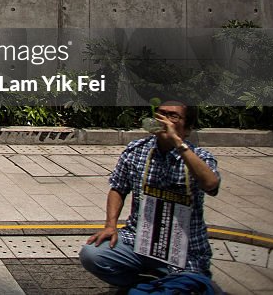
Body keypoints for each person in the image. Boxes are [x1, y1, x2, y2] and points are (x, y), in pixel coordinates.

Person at [79, 101, 221, 289]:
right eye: (161, 114)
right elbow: (118, 188)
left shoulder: (200, 157)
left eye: (173, 116)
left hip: (184, 250)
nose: (164, 120)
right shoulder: (136, 150)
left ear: (188, 128)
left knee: (194, 286)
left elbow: (211, 184)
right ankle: (145, 285)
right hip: (139, 240)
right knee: (92, 254)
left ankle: (169, 284)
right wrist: (110, 225)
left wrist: (178, 143)